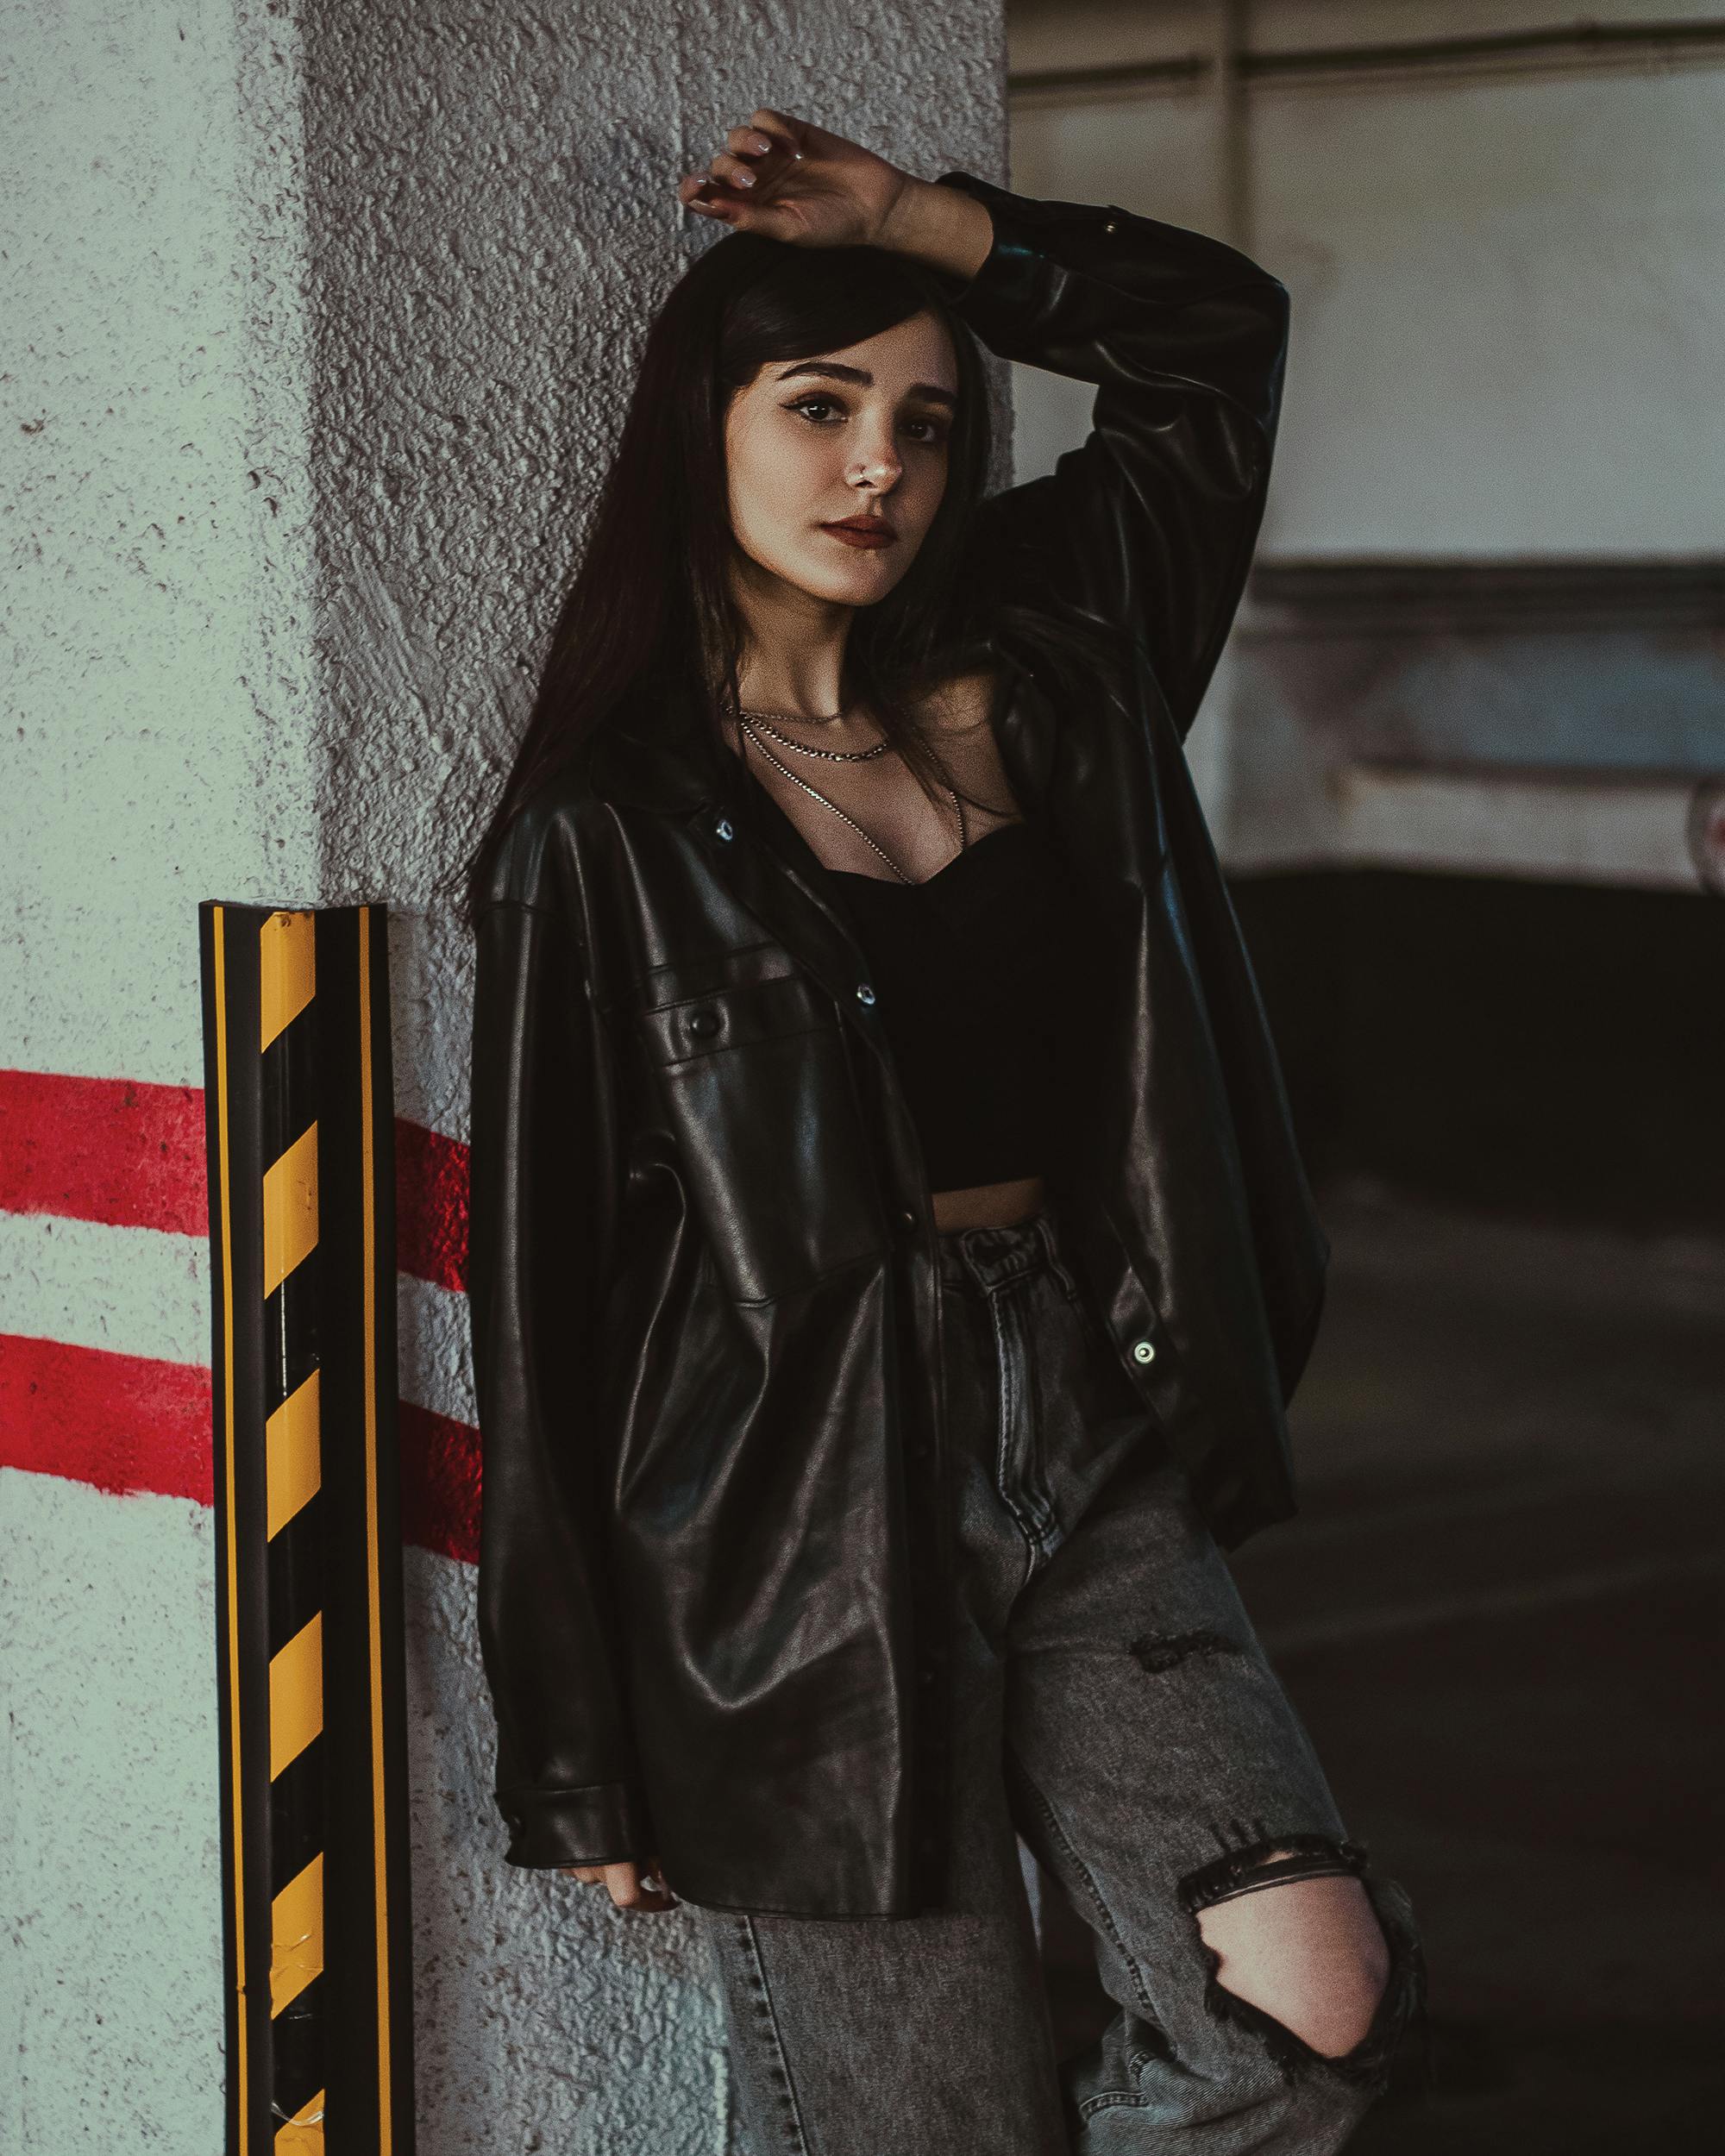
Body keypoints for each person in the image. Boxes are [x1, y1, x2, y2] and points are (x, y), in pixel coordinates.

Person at [461, 104, 1422, 2155]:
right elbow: (547, 1300)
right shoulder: (602, 839)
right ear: (701, 431)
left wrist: (924, 227)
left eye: (921, 417)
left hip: (1081, 1413)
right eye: (817, 407)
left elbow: (1215, 341)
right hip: (780, 1513)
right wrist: (575, 1753)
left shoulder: (1059, 669)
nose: (880, 463)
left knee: (1306, 2001)